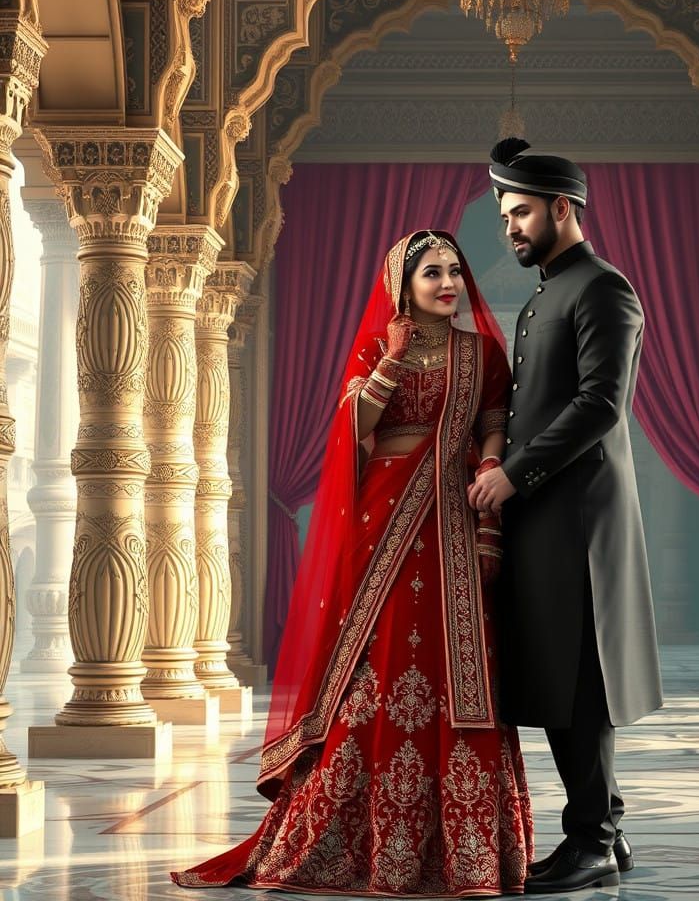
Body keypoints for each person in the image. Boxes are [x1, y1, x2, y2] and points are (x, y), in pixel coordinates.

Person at [172, 230, 533, 895]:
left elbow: (491, 419)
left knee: (464, 667)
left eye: (454, 270)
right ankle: (353, 837)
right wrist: (392, 362)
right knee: (380, 660)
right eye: (432, 273)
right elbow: (354, 428)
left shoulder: (480, 350)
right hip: (384, 518)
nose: (449, 282)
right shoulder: (377, 347)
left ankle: (473, 853)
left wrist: (488, 466)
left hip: (454, 516)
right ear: (403, 285)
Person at [469, 139, 663, 894]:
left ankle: (593, 840)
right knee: (557, 674)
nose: (510, 228)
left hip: (579, 521)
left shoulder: (602, 289)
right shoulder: (555, 288)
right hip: (547, 516)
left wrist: (513, 476)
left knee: (580, 683)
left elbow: (599, 406)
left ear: (562, 208)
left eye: (521, 212)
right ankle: (602, 837)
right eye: (504, 215)